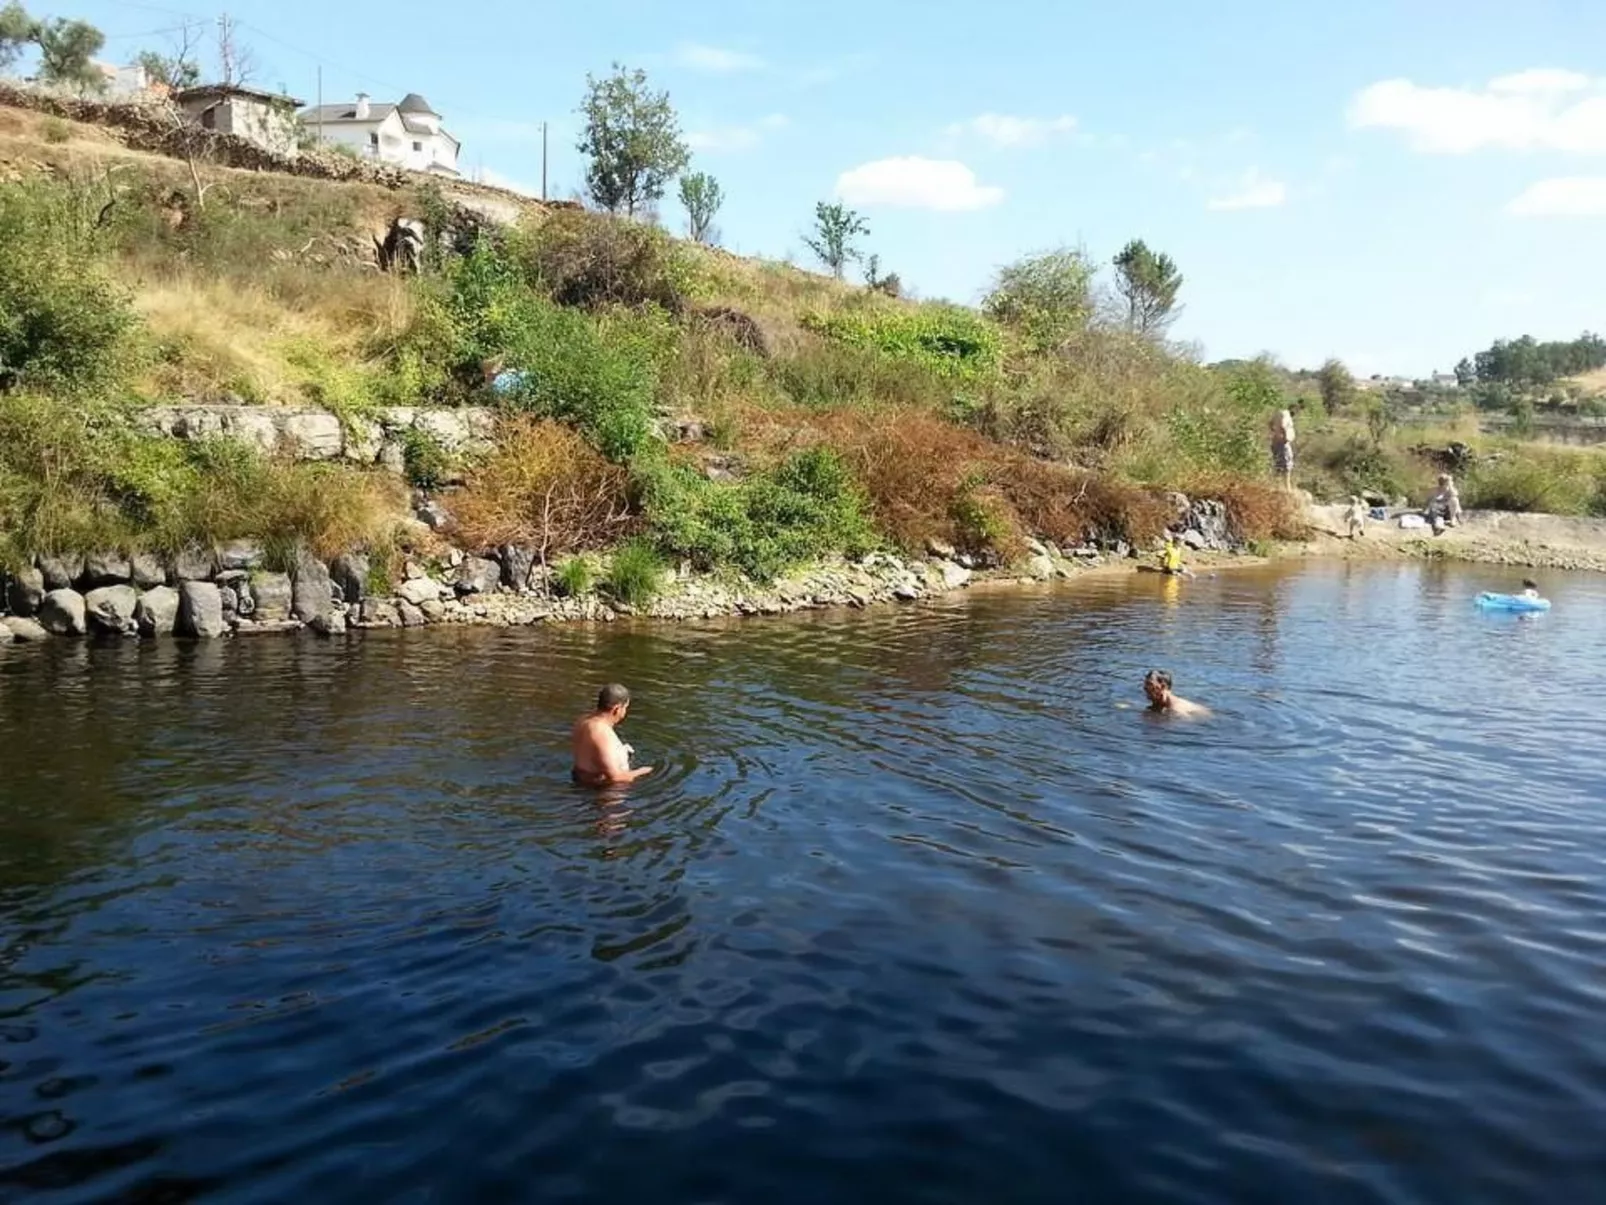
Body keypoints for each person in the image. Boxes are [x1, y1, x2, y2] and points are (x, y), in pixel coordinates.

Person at [571, 684, 655, 787]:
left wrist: (621, 751)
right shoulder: (602, 733)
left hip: (579, 779)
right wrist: (643, 771)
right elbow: (617, 778)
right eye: (625, 708)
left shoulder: (583, 720)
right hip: (600, 791)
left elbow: (593, 753)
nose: (625, 712)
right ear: (617, 709)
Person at [1144, 669, 1209, 717]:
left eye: (1149, 684)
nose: (1145, 687)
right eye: (1145, 684)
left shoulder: (1178, 711)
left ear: (1163, 687)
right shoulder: (1159, 703)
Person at [1268, 408, 1295, 489]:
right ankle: (1287, 488)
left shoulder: (1278, 413)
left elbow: (1270, 423)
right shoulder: (1285, 414)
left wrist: (1274, 433)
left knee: (1278, 464)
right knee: (1286, 466)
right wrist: (1285, 436)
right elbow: (1283, 425)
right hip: (1282, 443)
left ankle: (1277, 486)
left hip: (1276, 441)